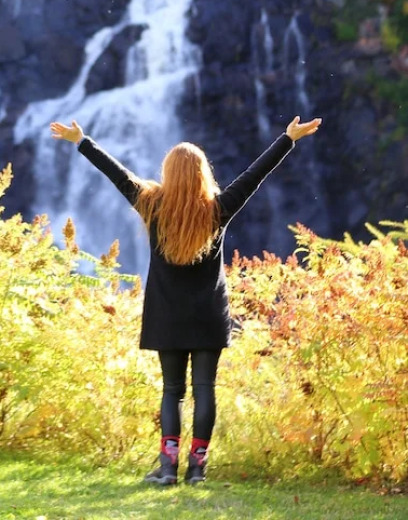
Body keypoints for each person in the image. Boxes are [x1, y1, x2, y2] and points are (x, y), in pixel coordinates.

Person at [49, 114, 322, 486]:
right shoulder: (218, 209)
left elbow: (117, 174)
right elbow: (254, 176)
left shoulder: (150, 205)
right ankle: (197, 470)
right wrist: (287, 139)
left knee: (172, 391)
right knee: (205, 389)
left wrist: (82, 141)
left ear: (169, 172)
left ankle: (166, 468)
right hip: (209, 314)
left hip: (166, 316)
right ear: (201, 175)